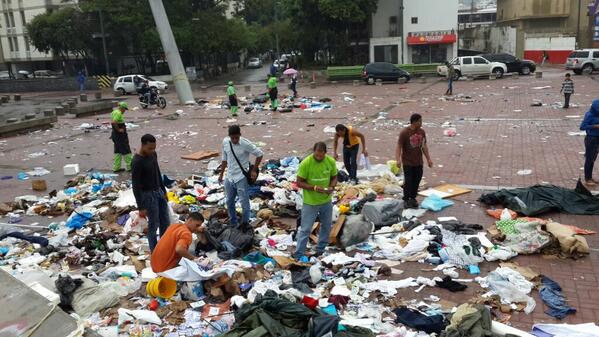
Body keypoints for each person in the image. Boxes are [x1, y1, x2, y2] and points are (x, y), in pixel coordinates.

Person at [294, 142, 338, 259]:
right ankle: (299, 253)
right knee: (306, 229)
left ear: (325, 153)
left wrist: (332, 187)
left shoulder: (330, 162)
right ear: (313, 151)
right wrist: (314, 188)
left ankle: (320, 249)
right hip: (311, 202)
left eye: (321, 156)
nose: (319, 157)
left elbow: (334, 177)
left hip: (326, 200)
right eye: (316, 155)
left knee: (326, 225)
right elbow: (299, 182)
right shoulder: (306, 163)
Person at [218, 125, 263, 229]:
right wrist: (221, 174)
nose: (234, 140)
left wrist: (254, 170)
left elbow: (259, 154)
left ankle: (245, 223)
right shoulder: (225, 142)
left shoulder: (245, 143)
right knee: (229, 200)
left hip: (241, 177)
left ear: (240, 135)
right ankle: (233, 221)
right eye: (232, 138)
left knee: (244, 202)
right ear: (229, 136)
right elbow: (224, 159)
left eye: (236, 137)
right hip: (229, 176)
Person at [132, 134, 170, 251]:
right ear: (143, 146)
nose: (152, 150)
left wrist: (163, 190)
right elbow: (136, 185)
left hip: (158, 191)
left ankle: (163, 246)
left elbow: (157, 172)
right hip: (147, 195)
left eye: (154, 148)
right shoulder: (137, 161)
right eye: (150, 148)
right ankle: (154, 250)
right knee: (154, 224)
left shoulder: (153, 154)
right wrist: (141, 206)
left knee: (165, 220)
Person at [395, 113, 433, 209]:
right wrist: (398, 159)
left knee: (417, 180)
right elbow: (399, 146)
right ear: (415, 121)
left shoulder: (422, 132)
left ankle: (413, 197)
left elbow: (424, 146)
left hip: (418, 162)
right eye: (420, 121)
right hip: (408, 162)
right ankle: (406, 199)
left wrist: (428, 159)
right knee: (408, 181)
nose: (421, 123)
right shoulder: (405, 132)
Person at [580, 99, 599, 186]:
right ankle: (587, 178)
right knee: (589, 158)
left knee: (593, 158)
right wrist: (594, 126)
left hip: (597, 138)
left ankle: (590, 177)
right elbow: (582, 127)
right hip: (591, 138)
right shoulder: (590, 115)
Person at [110, 102, 133, 172]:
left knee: (118, 151)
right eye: (124, 109)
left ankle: (116, 168)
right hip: (120, 136)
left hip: (115, 135)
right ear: (122, 108)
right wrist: (119, 129)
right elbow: (114, 122)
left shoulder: (114, 112)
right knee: (126, 150)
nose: (124, 111)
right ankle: (130, 167)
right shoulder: (118, 113)